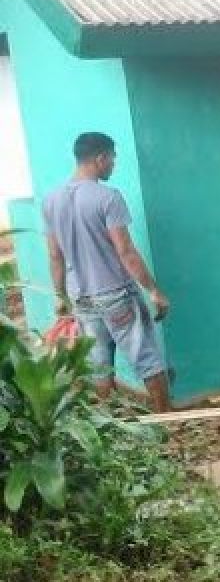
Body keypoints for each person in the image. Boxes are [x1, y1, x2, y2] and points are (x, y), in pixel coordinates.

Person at [43, 132, 172, 412]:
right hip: (115, 294)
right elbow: (125, 250)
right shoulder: (108, 197)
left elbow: (54, 255)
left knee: (100, 365)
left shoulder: (51, 200)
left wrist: (60, 296)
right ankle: (170, 423)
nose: (114, 164)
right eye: (112, 158)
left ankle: (110, 428)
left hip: (82, 298)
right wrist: (153, 290)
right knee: (146, 358)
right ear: (100, 158)